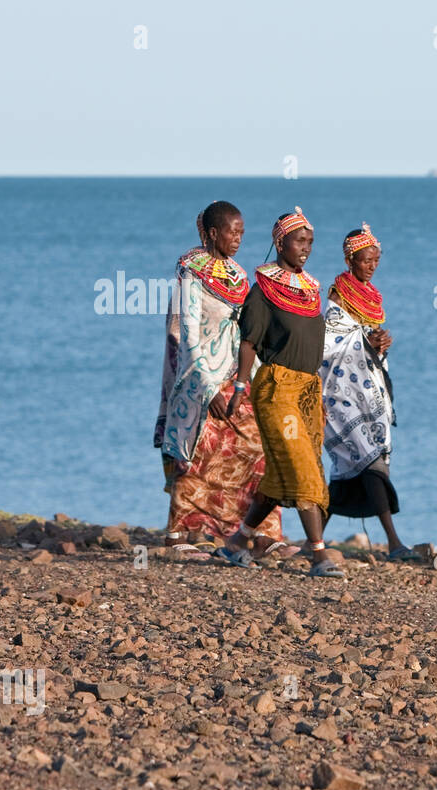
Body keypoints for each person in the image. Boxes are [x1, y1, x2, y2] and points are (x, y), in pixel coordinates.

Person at [153, 201, 287, 560]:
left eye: (242, 232)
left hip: (236, 377)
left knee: (257, 449)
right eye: (232, 231)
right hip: (199, 381)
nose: (239, 238)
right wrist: (207, 387)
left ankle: (257, 532)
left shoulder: (238, 275)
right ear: (213, 233)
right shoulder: (190, 273)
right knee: (197, 454)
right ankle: (179, 532)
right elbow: (186, 335)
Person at [214, 207, 343, 578]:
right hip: (276, 390)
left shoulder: (311, 288)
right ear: (279, 241)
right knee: (301, 465)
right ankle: (318, 555)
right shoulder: (263, 290)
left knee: (282, 473)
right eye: (299, 241)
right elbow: (249, 342)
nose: (306, 248)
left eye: (310, 242)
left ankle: (238, 542)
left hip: (306, 390)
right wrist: (240, 385)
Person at [320, 223, 413, 560]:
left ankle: (314, 539)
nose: (372, 266)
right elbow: (329, 343)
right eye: (365, 260)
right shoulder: (337, 295)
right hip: (341, 392)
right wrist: (364, 342)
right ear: (350, 260)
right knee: (370, 459)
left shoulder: (373, 297)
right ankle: (394, 542)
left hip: (368, 392)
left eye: (376, 259)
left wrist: (380, 345)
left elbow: (367, 341)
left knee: (351, 465)